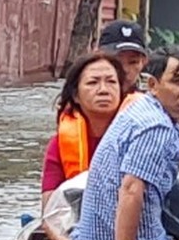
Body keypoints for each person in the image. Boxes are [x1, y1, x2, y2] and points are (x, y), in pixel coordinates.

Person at [73, 48, 179, 240]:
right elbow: (131, 190)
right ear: (153, 85)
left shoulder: (140, 109)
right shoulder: (156, 126)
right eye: (178, 81)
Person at [41, 52, 130, 211]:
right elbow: (50, 211)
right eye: (92, 82)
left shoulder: (140, 137)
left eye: (111, 82)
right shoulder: (59, 145)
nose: (103, 90)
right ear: (76, 95)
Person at [98, 19, 150, 90]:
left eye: (133, 62)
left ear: (144, 62)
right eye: (116, 62)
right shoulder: (84, 94)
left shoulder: (151, 98)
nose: (125, 69)